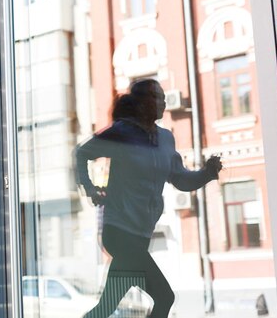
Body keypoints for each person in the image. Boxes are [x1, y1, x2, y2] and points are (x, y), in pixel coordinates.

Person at [75, 79, 223, 318]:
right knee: (165, 297)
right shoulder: (122, 132)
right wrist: (90, 188)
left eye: (165, 97)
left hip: (140, 236)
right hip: (120, 232)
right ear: (143, 103)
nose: (164, 102)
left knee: (105, 308)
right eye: (159, 97)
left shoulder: (166, 139)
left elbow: (180, 179)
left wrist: (207, 174)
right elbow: (82, 153)